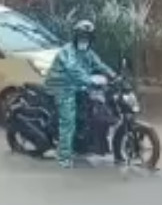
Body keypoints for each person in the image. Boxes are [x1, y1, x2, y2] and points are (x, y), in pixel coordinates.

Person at [44, 19, 115, 168]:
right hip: (62, 87)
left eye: (87, 37)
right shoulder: (67, 52)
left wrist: (114, 75)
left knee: (91, 108)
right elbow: (73, 70)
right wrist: (90, 80)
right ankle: (64, 158)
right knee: (68, 121)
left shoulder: (88, 53)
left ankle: (82, 143)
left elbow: (100, 65)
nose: (84, 40)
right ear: (76, 36)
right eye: (82, 36)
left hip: (78, 86)